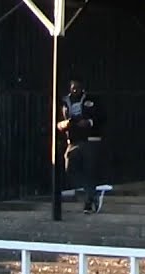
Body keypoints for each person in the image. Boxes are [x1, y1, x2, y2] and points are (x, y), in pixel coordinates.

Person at [57, 79, 106, 214]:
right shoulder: (63, 101)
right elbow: (56, 121)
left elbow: (101, 116)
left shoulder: (91, 100)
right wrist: (63, 124)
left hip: (89, 139)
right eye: (73, 87)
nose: (75, 90)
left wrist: (89, 122)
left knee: (89, 169)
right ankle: (91, 193)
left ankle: (90, 200)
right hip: (72, 140)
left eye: (77, 87)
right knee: (70, 168)